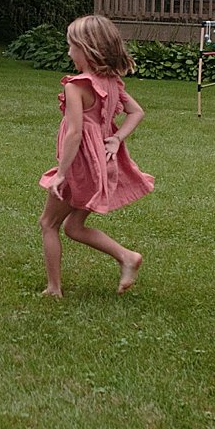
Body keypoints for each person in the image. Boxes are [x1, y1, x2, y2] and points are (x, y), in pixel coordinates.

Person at [39, 15, 155, 297]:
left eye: (71, 46)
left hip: (80, 168)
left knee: (48, 224)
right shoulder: (111, 83)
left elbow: (74, 133)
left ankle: (54, 288)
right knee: (74, 227)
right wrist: (116, 138)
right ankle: (127, 257)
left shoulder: (76, 86)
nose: (69, 52)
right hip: (100, 167)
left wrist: (62, 173)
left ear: (88, 49)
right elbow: (136, 112)